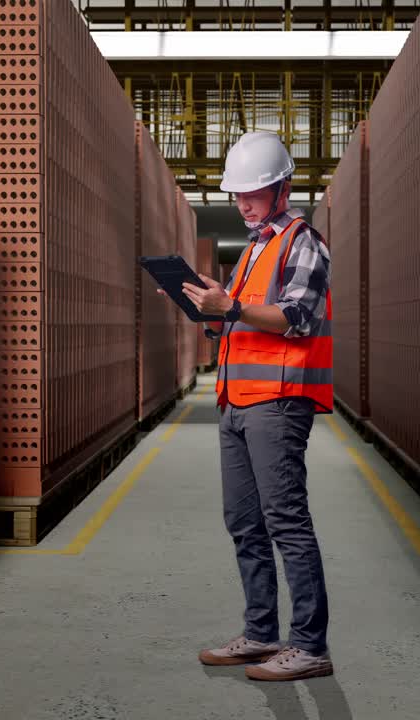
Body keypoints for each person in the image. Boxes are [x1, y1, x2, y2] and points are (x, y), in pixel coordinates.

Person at [160, 131, 334, 681]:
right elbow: (236, 323)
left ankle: (309, 646)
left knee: (286, 521)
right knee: (244, 522)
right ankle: (261, 634)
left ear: (282, 189)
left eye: (253, 193)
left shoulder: (303, 241)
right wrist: (206, 308)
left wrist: (230, 305)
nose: (242, 204)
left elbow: (296, 317)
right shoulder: (257, 249)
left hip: (278, 402)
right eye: (236, 194)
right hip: (235, 400)